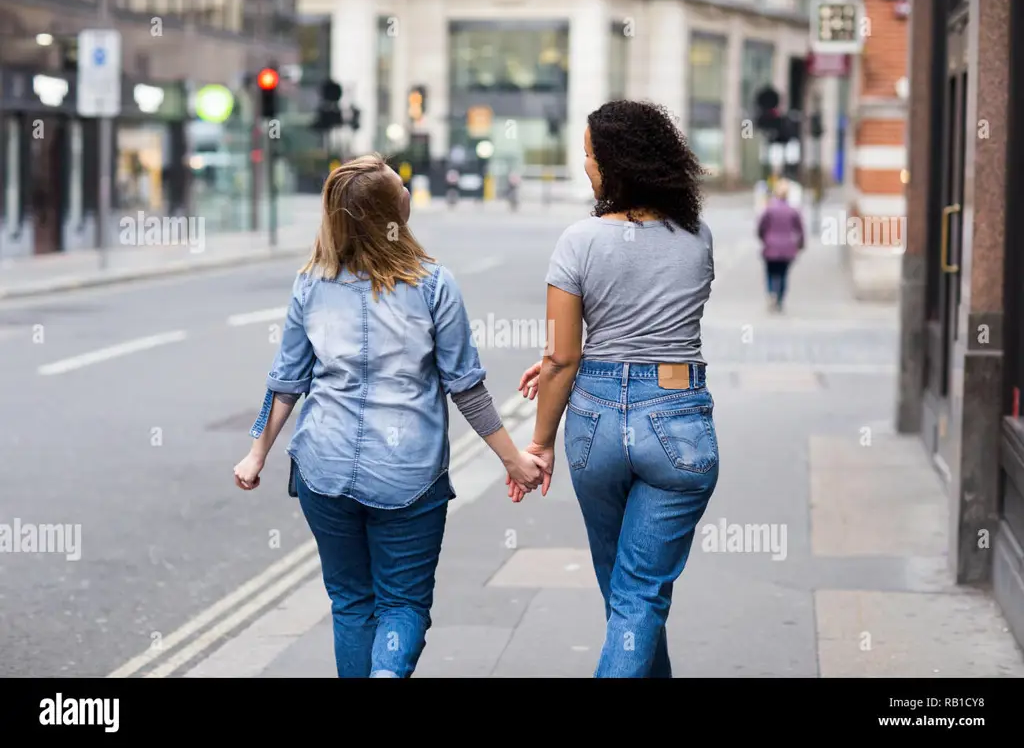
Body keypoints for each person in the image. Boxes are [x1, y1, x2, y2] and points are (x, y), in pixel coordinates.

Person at [232, 153, 547, 678]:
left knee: (352, 601)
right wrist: (513, 460)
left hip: (322, 467)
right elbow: (465, 386)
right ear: (391, 213)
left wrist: (256, 453)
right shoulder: (433, 284)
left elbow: (286, 380)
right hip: (409, 473)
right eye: (400, 189)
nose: (407, 193)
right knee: (402, 604)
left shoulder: (312, 282)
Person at [511, 100, 719, 677]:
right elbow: (647, 319)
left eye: (589, 155)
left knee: (627, 595)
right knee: (639, 596)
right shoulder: (697, 237)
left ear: (615, 164)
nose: (585, 167)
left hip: (596, 425)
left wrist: (541, 443)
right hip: (677, 419)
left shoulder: (578, 241)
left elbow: (563, 356)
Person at [757, 177, 804, 312]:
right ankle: (780, 299)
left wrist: (763, 238)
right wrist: (800, 244)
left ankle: (772, 292)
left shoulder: (769, 209)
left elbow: (761, 227)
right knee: (783, 274)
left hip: (771, 246)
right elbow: (800, 229)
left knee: (771, 272)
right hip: (788, 248)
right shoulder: (793, 210)